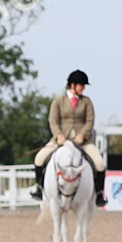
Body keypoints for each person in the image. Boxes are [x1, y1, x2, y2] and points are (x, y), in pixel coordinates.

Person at [30, 69, 107, 206]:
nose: (83, 88)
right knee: (39, 158)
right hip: (61, 140)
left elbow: (90, 121)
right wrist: (58, 135)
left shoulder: (86, 102)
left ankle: (99, 193)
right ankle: (39, 187)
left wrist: (82, 135)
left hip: (82, 141)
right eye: (81, 85)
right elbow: (53, 120)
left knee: (100, 163)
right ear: (73, 85)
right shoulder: (59, 100)